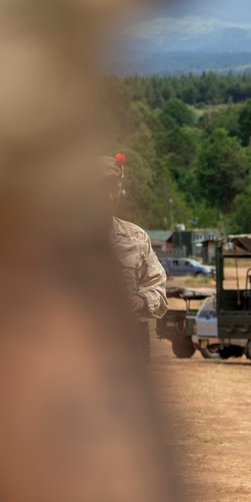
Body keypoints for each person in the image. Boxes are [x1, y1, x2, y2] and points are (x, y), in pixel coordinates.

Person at [105, 153, 168, 360]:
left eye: (113, 189)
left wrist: (140, 301)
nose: (107, 197)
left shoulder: (136, 238)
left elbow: (159, 290)